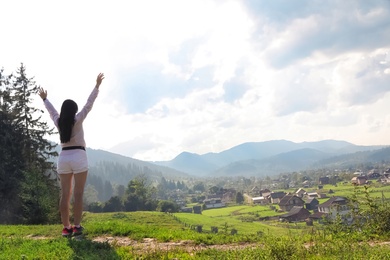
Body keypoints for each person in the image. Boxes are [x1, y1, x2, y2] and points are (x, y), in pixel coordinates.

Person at [38, 73, 105, 237]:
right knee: (79, 194)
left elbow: (51, 111)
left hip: (63, 158)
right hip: (79, 156)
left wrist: (45, 99)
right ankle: (77, 226)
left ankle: (66, 228)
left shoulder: (59, 122)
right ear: (74, 110)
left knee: (65, 195)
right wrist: (97, 86)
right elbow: (88, 105)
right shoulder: (78, 119)